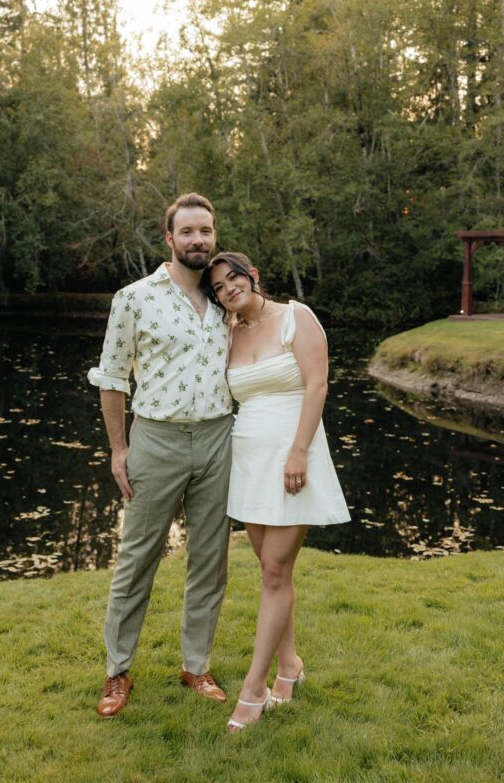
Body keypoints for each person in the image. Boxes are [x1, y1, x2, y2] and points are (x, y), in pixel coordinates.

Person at [88, 193, 234, 718]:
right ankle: (118, 671)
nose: (199, 239)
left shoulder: (225, 297)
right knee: (137, 559)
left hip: (219, 439)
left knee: (210, 562)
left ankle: (196, 666)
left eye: (206, 231)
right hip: (156, 439)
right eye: (188, 231)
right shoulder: (134, 298)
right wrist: (119, 448)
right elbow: (110, 376)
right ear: (169, 239)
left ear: (214, 236)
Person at [203, 252, 350, 732]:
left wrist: (299, 452)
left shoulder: (295, 317)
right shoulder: (228, 334)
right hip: (247, 460)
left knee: (273, 571)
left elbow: (317, 385)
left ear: (253, 277)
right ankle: (291, 665)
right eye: (219, 287)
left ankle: (253, 688)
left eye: (234, 278)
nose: (228, 289)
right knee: (273, 573)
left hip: (291, 456)